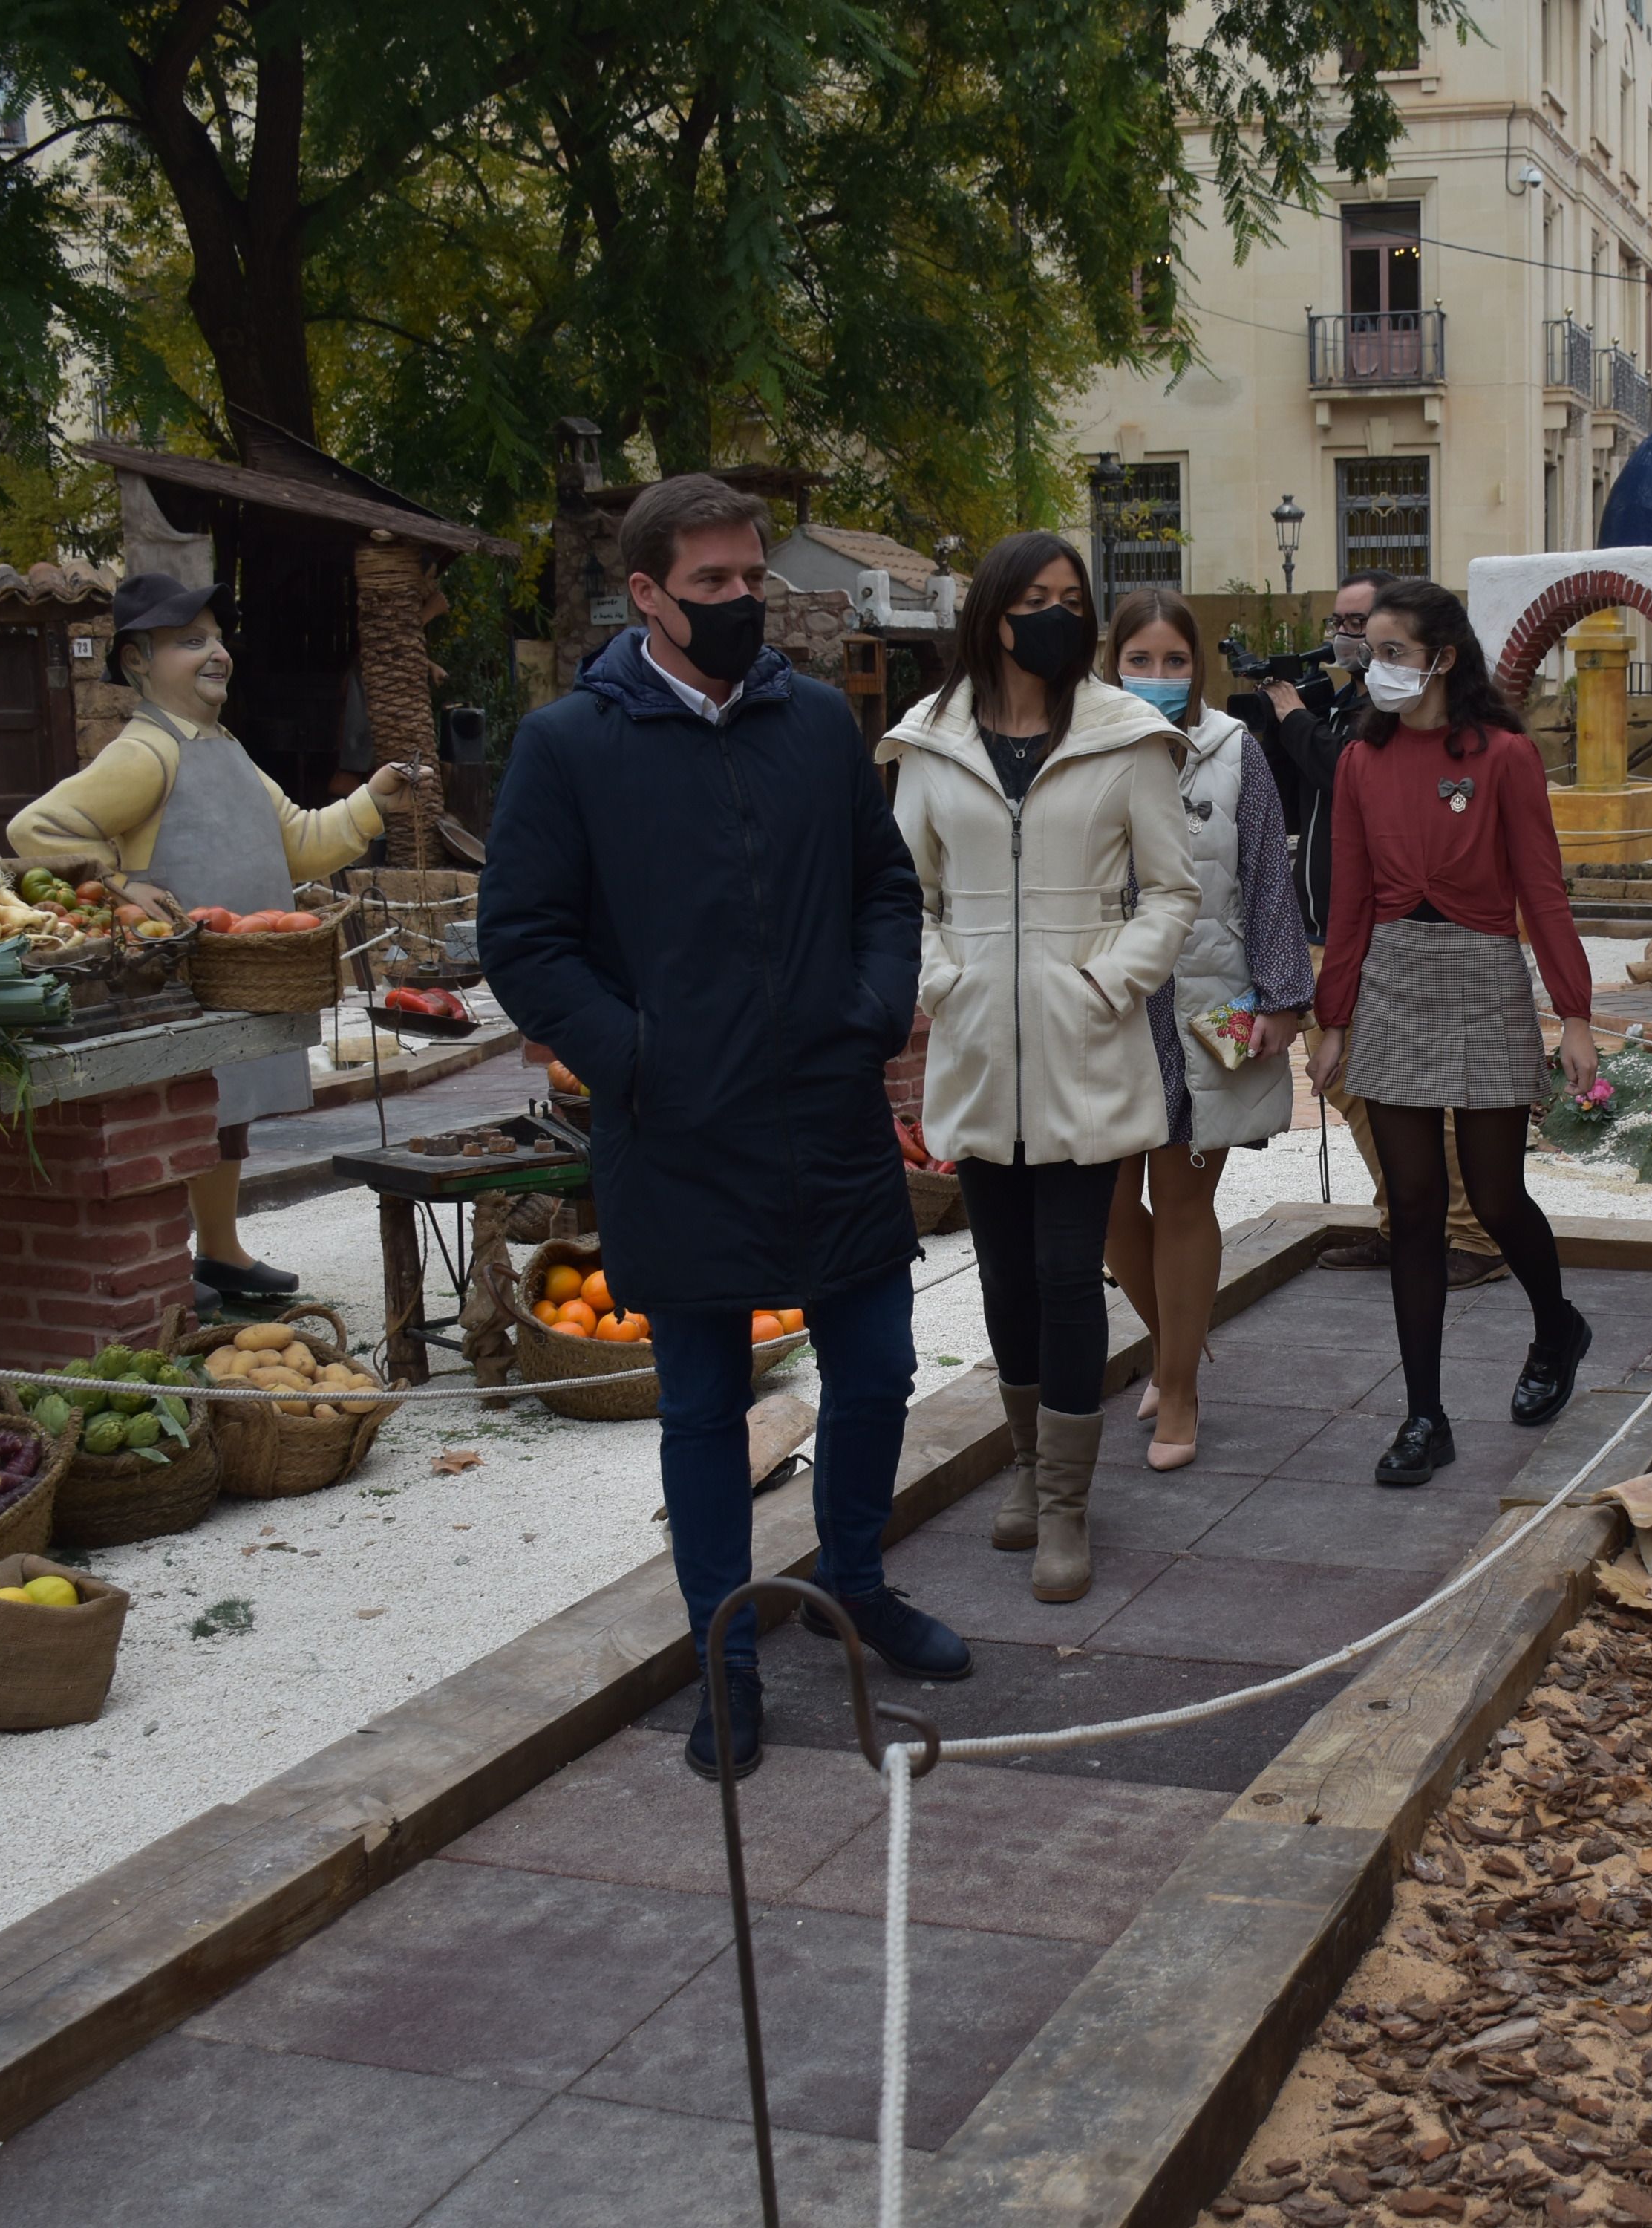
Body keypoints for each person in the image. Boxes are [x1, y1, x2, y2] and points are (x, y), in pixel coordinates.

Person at [483, 475, 964, 1783]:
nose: (745, 600)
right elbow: (522, 939)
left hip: (825, 1107)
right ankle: (726, 1656)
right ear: (646, 594)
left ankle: (854, 1587)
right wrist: (634, 1056)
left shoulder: (814, 725)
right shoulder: (571, 744)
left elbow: (883, 884)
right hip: (677, 1126)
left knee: (874, 1374)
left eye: (753, 577)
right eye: (714, 585)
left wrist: (872, 1009)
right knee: (701, 1410)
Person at [883, 533, 1197, 1602]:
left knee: (1070, 1274)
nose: (1055, 616)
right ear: (992, 612)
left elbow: (1173, 893)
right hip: (977, 1055)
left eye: (1073, 599)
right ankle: (1024, 1466)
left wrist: (1106, 983)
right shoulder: (928, 743)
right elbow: (901, 894)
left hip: (1085, 1053)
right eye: (1034, 598)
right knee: (1007, 1276)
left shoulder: (1128, 739)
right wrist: (947, 985)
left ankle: (1066, 1504)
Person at [11, 574, 413, 1303]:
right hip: (172, 977)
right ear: (136, 661)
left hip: (232, 973)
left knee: (223, 1119)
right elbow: (37, 829)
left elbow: (298, 838)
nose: (216, 652)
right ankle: (171, 1261)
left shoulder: (223, 746)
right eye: (189, 640)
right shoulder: (145, 753)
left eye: (216, 637)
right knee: (181, 1116)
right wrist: (118, 883)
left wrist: (369, 802)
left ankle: (219, 1252)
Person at [1307, 579, 1599, 1487]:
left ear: (1441, 656)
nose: (1375, 667)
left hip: (1481, 977)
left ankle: (1556, 1328)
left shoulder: (1505, 757)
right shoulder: (1360, 759)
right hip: (1392, 978)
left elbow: (1542, 890)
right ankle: (1423, 1416)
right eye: (1369, 652)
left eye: (1391, 651)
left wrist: (1576, 1012)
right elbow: (1347, 896)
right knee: (1415, 1208)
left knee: (1496, 1193)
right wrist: (1332, 1018)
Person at [1100, 589, 1316, 1470]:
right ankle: (1172, 1344)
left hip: (1212, 1000)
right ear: (1109, 664)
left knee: (1184, 1198)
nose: (1156, 678)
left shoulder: (1236, 754)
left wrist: (1281, 996)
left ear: (1200, 667)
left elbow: (1268, 877)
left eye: (1173, 661)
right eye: (1138, 661)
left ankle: (1180, 1387)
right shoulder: (1078, 754)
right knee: (1110, 1203)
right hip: (1106, 1007)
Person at [1256, 572, 1504, 1286]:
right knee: (1350, 1083)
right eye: (1342, 622)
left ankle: (1468, 1233)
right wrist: (1284, 723)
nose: (1351, 638)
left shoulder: (1416, 727)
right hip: (1323, 927)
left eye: (1363, 625)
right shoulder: (1345, 709)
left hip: (1394, 937)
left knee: (1416, 1090)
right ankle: (1407, 1216)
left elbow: (1344, 777)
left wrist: (1296, 720)